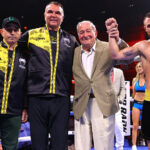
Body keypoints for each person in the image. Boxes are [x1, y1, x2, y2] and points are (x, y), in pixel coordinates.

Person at [19, 1, 78, 150]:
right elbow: (12, 52)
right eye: (50, 12)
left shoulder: (71, 40)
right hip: (36, 98)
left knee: (60, 144)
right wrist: (24, 104)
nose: (53, 15)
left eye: (57, 13)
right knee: (38, 144)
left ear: (62, 17)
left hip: (61, 98)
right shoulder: (31, 35)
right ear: (44, 15)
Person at [72, 20, 128, 150]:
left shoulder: (108, 47)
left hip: (102, 103)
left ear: (95, 33)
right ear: (78, 35)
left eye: (88, 31)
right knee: (81, 146)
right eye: (81, 32)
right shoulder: (74, 52)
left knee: (103, 146)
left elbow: (127, 57)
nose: (85, 35)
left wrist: (117, 39)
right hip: (81, 104)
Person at [106, 17, 150, 150]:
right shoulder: (142, 46)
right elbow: (116, 56)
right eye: (148, 25)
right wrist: (112, 34)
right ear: (146, 29)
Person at [0, 17, 28, 150]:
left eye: (15, 30)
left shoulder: (26, 54)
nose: (12, 32)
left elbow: (27, 84)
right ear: (1, 32)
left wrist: (25, 107)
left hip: (14, 111)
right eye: (8, 29)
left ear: (20, 33)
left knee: (10, 147)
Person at [131, 62, 146, 150]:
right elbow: (133, 94)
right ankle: (134, 146)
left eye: (140, 66)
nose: (139, 68)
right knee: (135, 126)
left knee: (146, 125)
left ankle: (145, 142)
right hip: (136, 104)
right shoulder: (134, 80)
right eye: (137, 67)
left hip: (146, 104)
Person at [110, 67, 125, 150]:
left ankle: (120, 147)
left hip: (116, 104)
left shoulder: (119, 72)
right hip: (103, 103)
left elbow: (123, 87)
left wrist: (120, 99)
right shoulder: (101, 70)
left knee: (118, 126)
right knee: (104, 128)